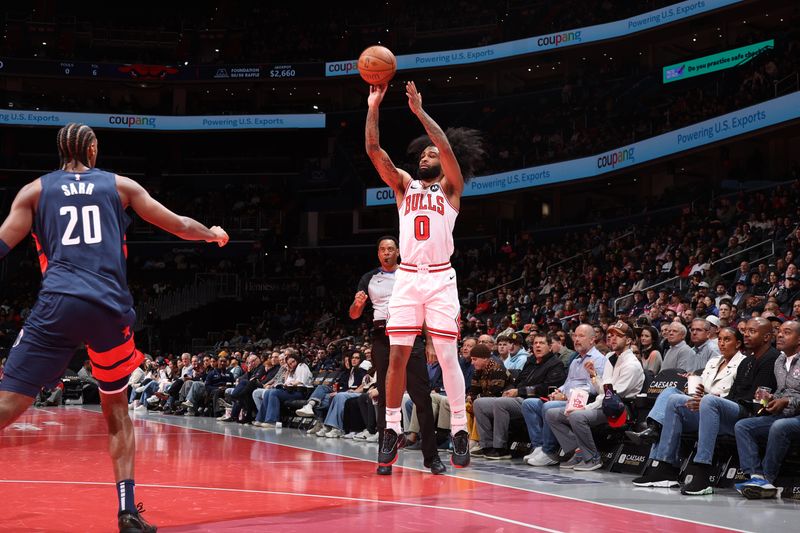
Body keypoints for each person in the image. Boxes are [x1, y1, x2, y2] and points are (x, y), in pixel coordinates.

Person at [0, 123, 228, 533]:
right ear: (92, 149)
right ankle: (127, 512)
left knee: (9, 405)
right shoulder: (120, 185)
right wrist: (212, 234)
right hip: (108, 308)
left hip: (59, 305)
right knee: (117, 410)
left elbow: (2, 244)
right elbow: (177, 224)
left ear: (59, 152)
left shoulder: (34, 191)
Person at [365, 81, 484, 469]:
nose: (426, 156)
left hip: (439, 279)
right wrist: (374, 106)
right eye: (424, 153)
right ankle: (391, 428)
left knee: (448, 356)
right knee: (397, 355)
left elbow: (446, 147)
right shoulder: (404, 185)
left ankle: (460, 430)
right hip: (408, 279)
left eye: (431, 153)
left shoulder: (451, 188)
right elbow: (373, 150)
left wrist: (419, 112)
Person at [348, 236, 444, 475]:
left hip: (411, 337)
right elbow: (353, 314)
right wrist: (358, 306)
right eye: (382, 249)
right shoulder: (369, 278)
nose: (386, 252)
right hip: (382, 338)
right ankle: (385, 458)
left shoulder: (410, 275)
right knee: (384, 398)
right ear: (378, 254)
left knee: (421, 397)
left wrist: (430, 342)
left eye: (390, 249)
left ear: (398, 252)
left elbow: (425, 310)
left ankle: (432, 458)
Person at [546, 321, 644, 471]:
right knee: (552, 414)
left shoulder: (631, 365)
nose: (612, 338)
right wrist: (594, 376)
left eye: (618, 336)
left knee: (577, 416)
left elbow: (612, 397)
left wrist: (584, 407)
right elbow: (604, 390)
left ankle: (592, 458)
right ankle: (578, 452)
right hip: (607, 403)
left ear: (629, 340)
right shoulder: (611, 357)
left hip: (621, 409)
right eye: (610, 335)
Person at [734, 320, 800, 499]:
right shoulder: (779, 360)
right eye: (779, 331)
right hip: (784, 415)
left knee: (780, 427)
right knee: (743, 426)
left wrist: (787, 401)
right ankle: (755, 476)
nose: (779, 335)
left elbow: (791, 396)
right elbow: (782, 391)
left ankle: (768, 480)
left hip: (795, 417)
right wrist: (773, 399)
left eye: (787, 332)